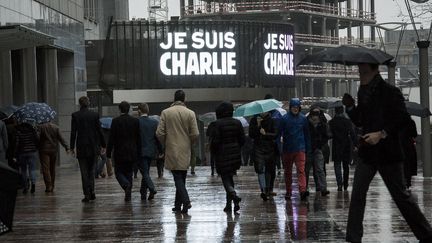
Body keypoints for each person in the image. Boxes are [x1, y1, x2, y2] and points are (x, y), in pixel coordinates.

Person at [343, 63, 432, 243]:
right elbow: (361, 120)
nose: (359, 71)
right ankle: (353, 238)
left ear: (373, 69)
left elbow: (401, 119)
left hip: (388, 153)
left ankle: (427, 235)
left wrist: (381, 134)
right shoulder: (363, 91)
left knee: (401, 197)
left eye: (362, 69)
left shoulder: (390, 92)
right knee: (357, 194)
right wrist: (351, 107)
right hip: (368, 151)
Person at [156, 90, 199, 214]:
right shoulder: (190, 113)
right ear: (184, 99)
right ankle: (178, 205)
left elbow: (159, 133)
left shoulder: (166, 112)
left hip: (172, 148)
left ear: (174, 99)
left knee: (177, 177)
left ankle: (185, 201)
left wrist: (166, 142)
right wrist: (190, 142)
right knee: (182, 176)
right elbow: (195, 133)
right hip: (185, 149)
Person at [210, 102, 245, 213]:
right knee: (230, 177)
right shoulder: (237, 123)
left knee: (225, 178)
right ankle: (230, 205)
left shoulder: (216, 124)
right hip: (235, 154)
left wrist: (213, 151)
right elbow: (243, 140)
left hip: (222, 154)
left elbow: (215, 142)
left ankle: (233, 195)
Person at [70, 96, 106, 202]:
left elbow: (73, 132)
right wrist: (103, 144)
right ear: (88, 103)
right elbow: (99, 131)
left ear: (80, 104)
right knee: (91, 170)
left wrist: (72, 147)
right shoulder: (94, 115)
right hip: (93, 147)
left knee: (84, 172)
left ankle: (86, 194)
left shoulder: (75, 115)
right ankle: (92, 192)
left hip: (81, 147)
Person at [107, 101, 140, 202]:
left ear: (119, 109)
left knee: (118, 172)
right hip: (132, 151)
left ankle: (126, 185)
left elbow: (111, 138)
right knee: (129, 172)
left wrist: (108, 152)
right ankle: (128, 194)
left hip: (119, 151)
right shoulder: (135, 121)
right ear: (129, 109)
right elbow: (138, 138)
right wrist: (139, 151)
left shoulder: (115, 121)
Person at [279, 98, 310, 201]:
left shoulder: (302, 119)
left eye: (297, 107)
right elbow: (279, 133)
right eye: (294, 107)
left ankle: (302, 190)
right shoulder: (285, 119)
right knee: (288, 171)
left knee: (300, 170)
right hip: (288, 149)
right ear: (290, 107)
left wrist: (307, 148)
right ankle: (289, 191)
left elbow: (306, 134)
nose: (295, 109)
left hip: (299, 148)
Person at [249, 111, 277, 201]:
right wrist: (257, 126)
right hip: (258, 148)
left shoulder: (272, 120)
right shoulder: (254, 120)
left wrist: (265, 134)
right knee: (260, 169)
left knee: (269, 169)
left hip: (270, 148)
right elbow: (251, 135)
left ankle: (268, 189)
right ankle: (263, 190)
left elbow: (275, 135)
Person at [329, 106, 356, 191]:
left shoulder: (332, 122)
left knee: (337, 165)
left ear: (335, 112)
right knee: (346, 166)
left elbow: (329, 134)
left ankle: (339, 184)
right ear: (343, 112)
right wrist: (356, 144)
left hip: (336, 146)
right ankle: (345, 184)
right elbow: (352, 133)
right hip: (346, 146)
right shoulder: (347, 122)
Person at [38, 122, 70, 192]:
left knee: (45, 168)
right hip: (53, 150)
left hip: (44, 150)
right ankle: (52, 185)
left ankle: (48, 186)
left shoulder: (40, 127)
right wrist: (67, 147)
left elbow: (37, 138)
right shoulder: (56, 127)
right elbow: (61, 138)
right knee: (52, 168)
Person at [137, 103, 159, 200]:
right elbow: (157, 138)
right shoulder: (154, 122)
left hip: (140, 151)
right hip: (151, 151)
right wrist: (161, 150)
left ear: (139, 111)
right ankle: (143, 192)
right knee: (146, 172)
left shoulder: (136, 122)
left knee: (144, 173)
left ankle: (152, 188)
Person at [305, 109, 329, 196]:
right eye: (314, 116)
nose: (316, 118)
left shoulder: (321, 124)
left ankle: (323, 188)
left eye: (317, 116)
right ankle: (304, 188)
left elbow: (326, 136)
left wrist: (320, 144)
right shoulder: (307, 124)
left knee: (319, 169)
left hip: (317, 149)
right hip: (308, 150)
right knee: (306, 170)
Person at [15, 122, 39, 194]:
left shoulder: (18, 131)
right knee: (32, 169)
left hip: (22, 153)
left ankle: (25, 187)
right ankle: (33, 184)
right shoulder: (32, 131)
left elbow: (17, 143)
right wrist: (35, 148)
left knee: (23, 171)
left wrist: (15, 154)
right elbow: (37, 140)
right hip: (32, 152)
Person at [401, 118, 418, 190]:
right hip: (409, 145)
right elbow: (414, 134)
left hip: (399, 145)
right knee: (408, 164)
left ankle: (401, 182)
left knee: (400, 165)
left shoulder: (396, 121)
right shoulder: (411, 121)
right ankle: (407, 182)